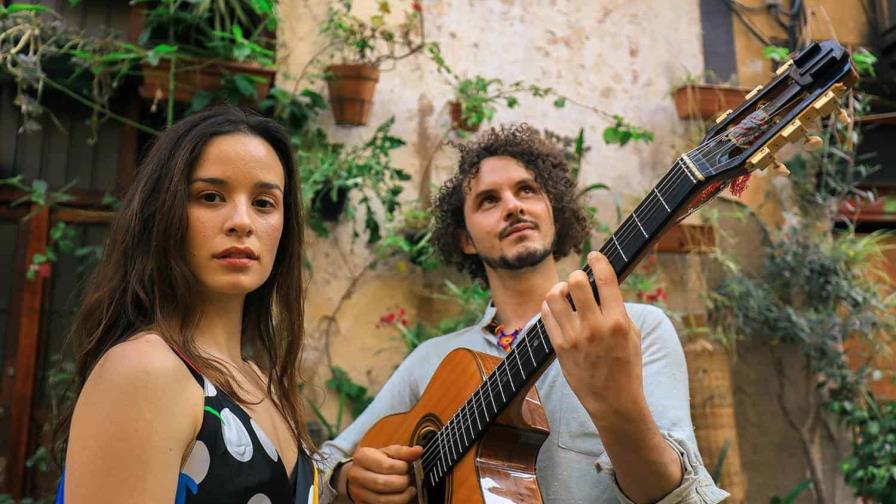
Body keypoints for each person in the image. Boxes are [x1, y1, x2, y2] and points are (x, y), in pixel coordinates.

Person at [321, 124, 730, 503]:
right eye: (488, 200)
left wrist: (618, 406)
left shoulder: (631, 330)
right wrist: (349, 479)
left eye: (527, 190)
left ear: (553, 211)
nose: (513, 206)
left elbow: (680, 497)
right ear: (465, 239)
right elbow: (322, 465)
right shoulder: (431, 359)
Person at [54, 106, 343, 503]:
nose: (242, 221)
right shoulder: (146, 370)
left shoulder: (258, 379)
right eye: (210, 197)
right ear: (165, 213)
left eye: (263, 203)